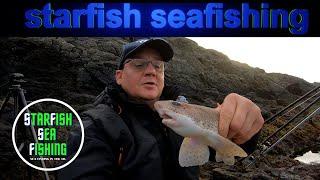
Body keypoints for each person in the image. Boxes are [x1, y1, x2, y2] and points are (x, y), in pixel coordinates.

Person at [58, 38, 264, 180]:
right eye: (139, 64)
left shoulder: (182, 115)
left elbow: (235, 150)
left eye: (158, 66)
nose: (150, 71)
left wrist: (246, 128)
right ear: (119, 76)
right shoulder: (94, 128)